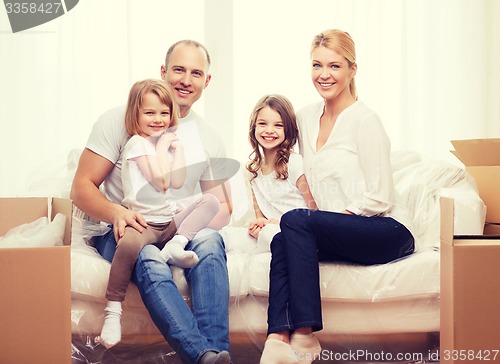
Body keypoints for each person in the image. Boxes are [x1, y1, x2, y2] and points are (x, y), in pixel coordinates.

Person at [71, 40, 233, 364]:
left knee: (212, 242)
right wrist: (117, 212)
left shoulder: (207, 136)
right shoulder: (121, 120)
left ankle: (216, 352)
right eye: (179, 69)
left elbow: (223, 207)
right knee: (147, 256)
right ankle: (201, 356)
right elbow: (81, 187)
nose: (186, 80)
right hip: (125, 228)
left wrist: (185, 229)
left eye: (196, 73)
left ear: (207, 81)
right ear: (163, 71)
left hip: (174, 225)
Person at [260, 29, 416, 364]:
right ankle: (277, 338)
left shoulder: (365, 121)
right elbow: (281, 161)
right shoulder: (304, 117)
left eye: (334, 66)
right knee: (282, 237)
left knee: (295, 222)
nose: (324, 74)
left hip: (385, 229)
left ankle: (305, 334)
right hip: (334, 227)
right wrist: (264, 209)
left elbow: (380, 197)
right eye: (317, 65)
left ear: (352, 70)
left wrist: (324, 222)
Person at [99, 79, 220, 349]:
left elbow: (176, 183)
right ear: (136, 115)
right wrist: (165, 147)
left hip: (167, 223)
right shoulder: (137, 144)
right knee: (128, 245)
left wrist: (178, 149)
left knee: (210, 201)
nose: (157, 119)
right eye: (149, 113)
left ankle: (175, 246)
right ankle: (113, 311)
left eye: (164, 113)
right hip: (144, 225)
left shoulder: (160, 144)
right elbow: (161, 181)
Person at [245, 94, 317, 248]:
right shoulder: (254, 172)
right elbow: (261, 216)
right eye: (263, 123)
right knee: (232, 237)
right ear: (254, 127)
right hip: (272, 231)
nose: (269, 130)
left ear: (288, 129)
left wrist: (282, 223)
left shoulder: (293, 163)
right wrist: (260, 223)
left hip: (297, 230)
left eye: (278, 125)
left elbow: (313, 210)